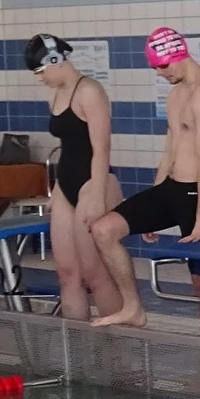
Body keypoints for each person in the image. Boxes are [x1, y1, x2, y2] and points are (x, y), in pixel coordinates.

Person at [90, 27, 200, 335]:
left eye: (163, 65)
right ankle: (132, 307)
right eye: (155, 67)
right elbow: (170, 151)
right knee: (104, 229)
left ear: (180, 55)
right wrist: (154, 200)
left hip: (198, 194)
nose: (160, 73)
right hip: (170, 189)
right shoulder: (176, 94)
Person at [25, 34, 122, 322]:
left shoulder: (90, 91)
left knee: (95, 273)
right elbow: (67, 146)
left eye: (41, 71)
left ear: (56, 60)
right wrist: (57, 189)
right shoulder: (54, 93)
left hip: (95, 182)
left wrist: (97, 196)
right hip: (66, 183)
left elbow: (102, 148)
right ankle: (77, 345)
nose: (39, 78)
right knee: (67, 274)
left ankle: (120, 343)